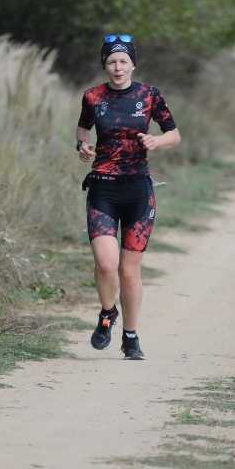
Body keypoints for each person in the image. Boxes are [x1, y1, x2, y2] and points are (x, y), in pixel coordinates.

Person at [76, 34, 181, 359]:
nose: (118, 67)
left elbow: (174, 135)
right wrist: (82, 145)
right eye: (111, 61)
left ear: (133, 64)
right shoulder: (93, 96)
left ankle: (131, 337)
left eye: (123, 61)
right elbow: (83, 127)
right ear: (104, 66)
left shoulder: (149, 95)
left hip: (138, 191)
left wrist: (156, 141)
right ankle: (108, 313)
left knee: (128, 271)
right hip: (103, 189)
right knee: (105, 264)